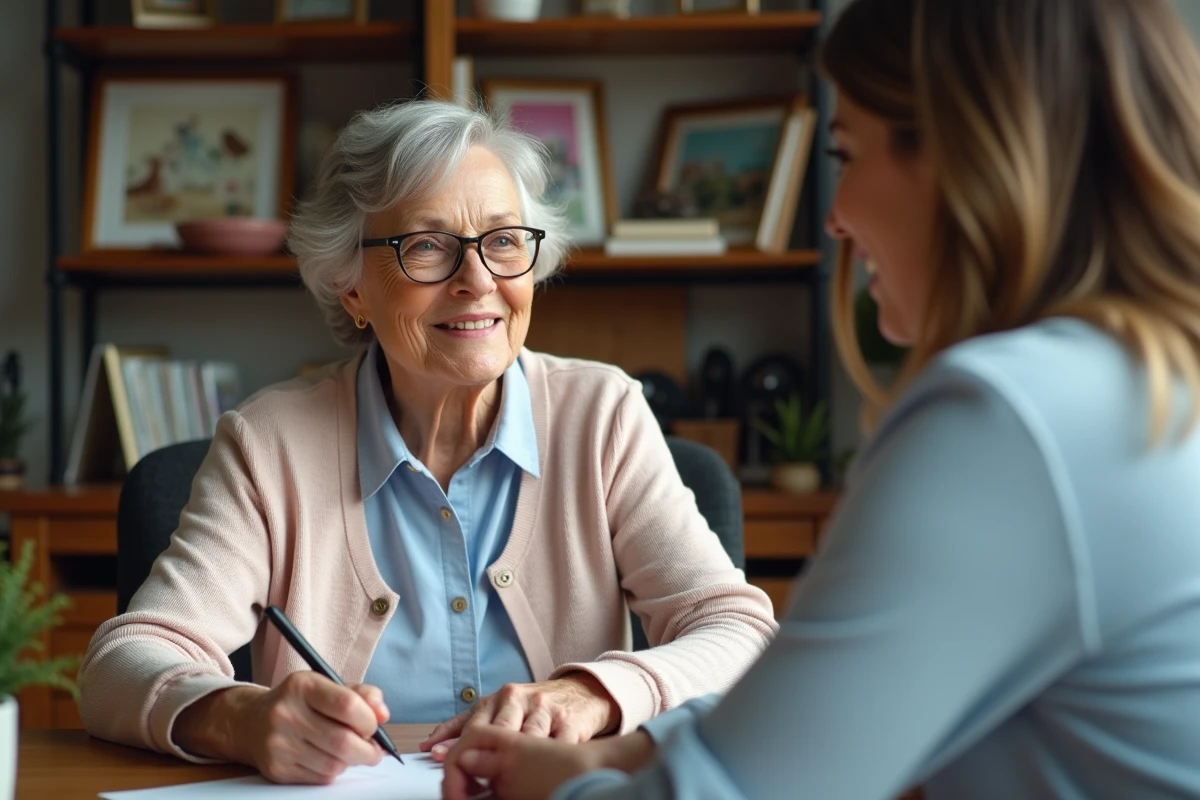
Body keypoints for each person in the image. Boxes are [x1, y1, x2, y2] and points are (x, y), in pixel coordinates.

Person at [438, 0, 1200, 797]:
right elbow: (833, 703)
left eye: (845, 155)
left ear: (964, 157)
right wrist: (625, 756)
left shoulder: (1012, 420)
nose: (834, 218)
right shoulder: (1135, 383)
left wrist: (553, 786)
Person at [76, 99, 777, 785]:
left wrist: (590, 694)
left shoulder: (603, 414)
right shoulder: (270, 446)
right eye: (427, 246)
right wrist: (242, 717)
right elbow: (122, 663)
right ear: (352, 288)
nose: (478, 282)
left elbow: (740, 634)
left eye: (504, 241)